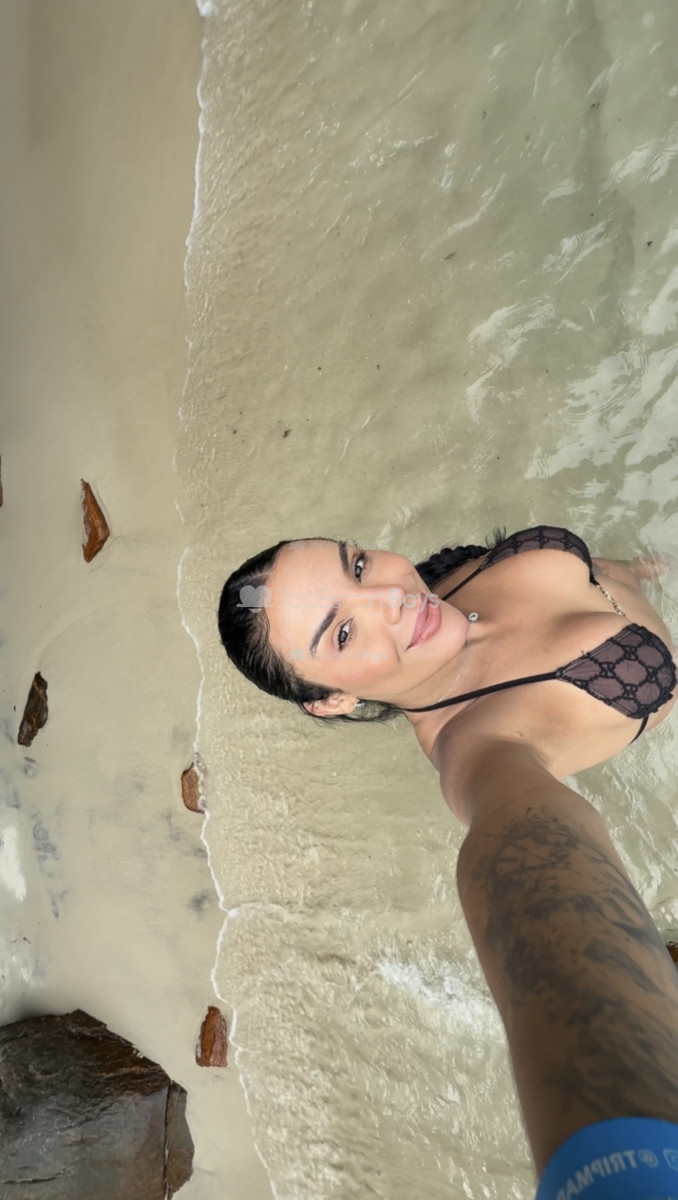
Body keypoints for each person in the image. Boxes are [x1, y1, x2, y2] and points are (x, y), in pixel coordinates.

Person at [218, 524, 678, 1197]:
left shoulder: (437, 592)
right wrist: (624, 1163)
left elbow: (580, 571)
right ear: (333, 701)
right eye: (343, 633)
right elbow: (531, 854)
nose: (391, 597)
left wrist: (637, 568)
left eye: (358, 565)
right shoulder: (477, 747)